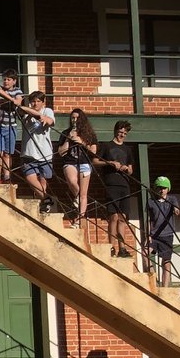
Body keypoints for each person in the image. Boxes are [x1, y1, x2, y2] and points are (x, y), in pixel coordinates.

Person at [96, 121, 136, 258]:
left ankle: (122, 248)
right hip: (111, 184)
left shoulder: (127, 149)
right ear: (115, 131)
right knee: (113, 216)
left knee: (122, 218)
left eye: (125, 134)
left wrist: (127, 168)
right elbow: (95, 161)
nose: (122, 135)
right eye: (120, 132)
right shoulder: (106, 146)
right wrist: (110, 163)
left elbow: (131, 169)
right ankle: (111, 247)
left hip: (124, 185)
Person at [56, 108, 99, 229]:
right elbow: (61, 152)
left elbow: (94, 151)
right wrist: (68, 139)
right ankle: (78, 199)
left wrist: (82, 142)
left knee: (84, 194)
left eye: (77, 118)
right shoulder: (66, 132)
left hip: (84, 162)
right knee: (72, 181)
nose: (74, 120)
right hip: (70, 161)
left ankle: (79, 220)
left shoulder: (89, 134)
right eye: (72, 118)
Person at [15, 91, 56, 214]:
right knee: (30, 178)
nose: (35, 103)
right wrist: (37, 115)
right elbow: (22, 110)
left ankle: (44, 204)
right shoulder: (25, 112)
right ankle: (46, 198)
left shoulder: (47, 111)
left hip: (45, 152)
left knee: (43, 181)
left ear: (43, 102)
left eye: (38, 101)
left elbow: (50, 121)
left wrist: (44, 118)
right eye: (33, 101)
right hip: (29, 152)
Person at [0, 69, 24, 184]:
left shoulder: (18, 91)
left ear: (14, 81)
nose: (6, 82)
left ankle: (6, 176)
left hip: (10, 126)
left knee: (7, 153)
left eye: (9, 79)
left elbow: (18, 102)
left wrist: (6, 101)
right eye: (4, 79)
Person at [147, 176, 180, 286]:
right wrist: (148, 234)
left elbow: (176, 209)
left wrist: (178, 212)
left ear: (168, 189)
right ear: (155, 188)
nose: (161, 190)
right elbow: (149, 219)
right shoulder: (151, 202)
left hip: (167, 235)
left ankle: (165, 287)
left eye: (164, 188)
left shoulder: (172, 199)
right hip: (154, 235)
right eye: (159, 188)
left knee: (166, 262)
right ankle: (153, 278)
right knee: (145, 253)